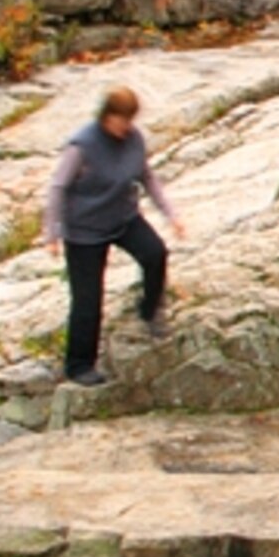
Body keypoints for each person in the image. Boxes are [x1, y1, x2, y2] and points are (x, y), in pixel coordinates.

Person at [43, 86, 184, 386]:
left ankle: (149, 310)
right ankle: (79, 364)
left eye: (129, 121)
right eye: (120, 120)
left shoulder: (133, 140)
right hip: (84, 230)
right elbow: (58, 187)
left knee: (155, 253)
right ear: (106, 117)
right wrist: (52, 232)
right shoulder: (82, 147)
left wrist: (171, 214)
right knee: (88, 299)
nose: (125, 127)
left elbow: (147, 178)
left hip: (123, 216)